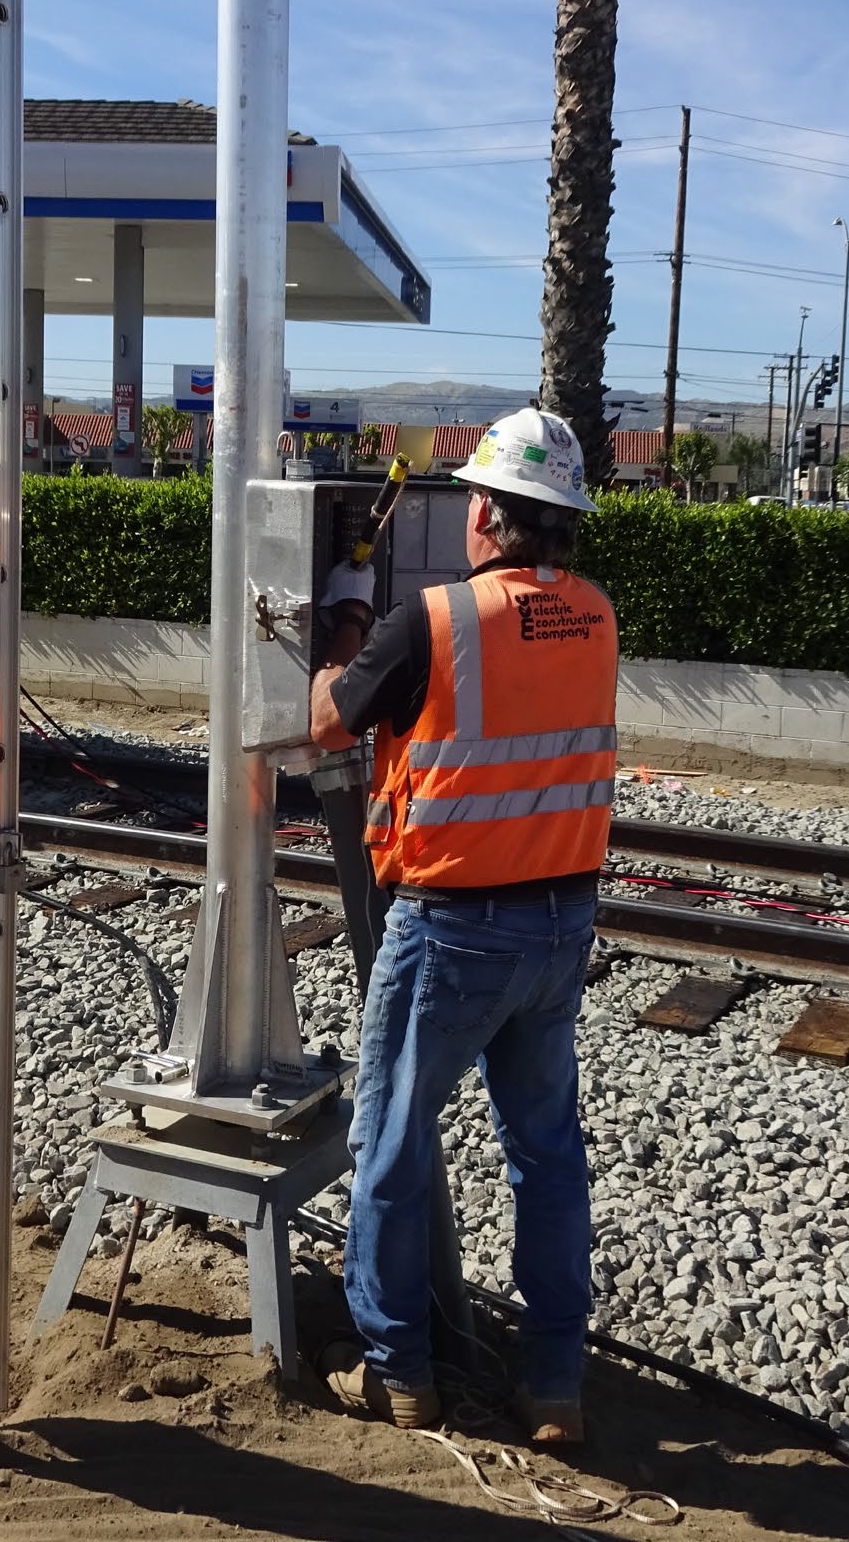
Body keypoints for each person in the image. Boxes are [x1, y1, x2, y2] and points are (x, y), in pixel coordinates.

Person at [306, 407, 619, 1446]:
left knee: (388, 1143)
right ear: (563, 521)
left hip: (450, 931)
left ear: (482, 511)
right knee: (545, 1154)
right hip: (559, 926)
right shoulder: (596, 616)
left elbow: (327, 720)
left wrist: (348, 622)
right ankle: (553, 1388)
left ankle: (399, 1371)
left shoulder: (431, 620)